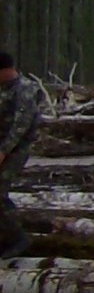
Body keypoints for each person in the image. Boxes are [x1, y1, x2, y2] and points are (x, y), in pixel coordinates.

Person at [0, 50, 40, 258]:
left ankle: (17, 237)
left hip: (16, 149)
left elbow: (20, 126)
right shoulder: (4, 90)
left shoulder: (24, 90)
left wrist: (3, 151)